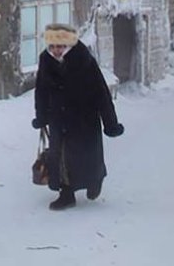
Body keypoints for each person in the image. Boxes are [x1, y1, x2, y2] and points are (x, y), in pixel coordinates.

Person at [31, 22, 124, 210]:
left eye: (60, 46)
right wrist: (41, 116)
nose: (56, 51)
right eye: (52, 46)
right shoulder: (46, 60)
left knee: (87, 156)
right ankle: (66, 194)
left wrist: (110, 123)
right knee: (61, 157)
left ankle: (94, 181)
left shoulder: (84, 60)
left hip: (84, 118)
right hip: (58, 119)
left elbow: (101, 93)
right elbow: (41, 91)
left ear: (69, 45)